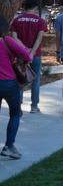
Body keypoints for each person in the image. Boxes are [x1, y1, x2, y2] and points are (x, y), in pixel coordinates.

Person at [9, 0, 49, 114]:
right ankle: (34, 106)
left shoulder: (17, 20)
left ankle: (19, 106)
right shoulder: (40, 21)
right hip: (35, 55)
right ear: (35, 8)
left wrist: (24, 49)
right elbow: (39, 38)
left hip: (20, 55)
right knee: (35, 80)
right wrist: (31, 52)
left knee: (20, 80)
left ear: (24, 7)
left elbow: (14, 37)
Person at [1, 27, 35, 159]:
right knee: (15, 114)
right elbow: (26, 55)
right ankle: (9, 146)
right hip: (8, 83)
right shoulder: (7, 41)